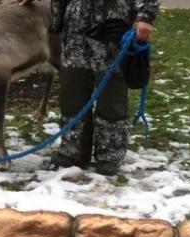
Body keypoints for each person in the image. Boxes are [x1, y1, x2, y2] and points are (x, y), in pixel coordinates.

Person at [19, 0, 160, 175]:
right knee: (72, 95)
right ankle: (73, 151)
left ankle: (109, 155)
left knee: (111, 98)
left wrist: (145, 16)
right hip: (74, 33)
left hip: (111, 31)